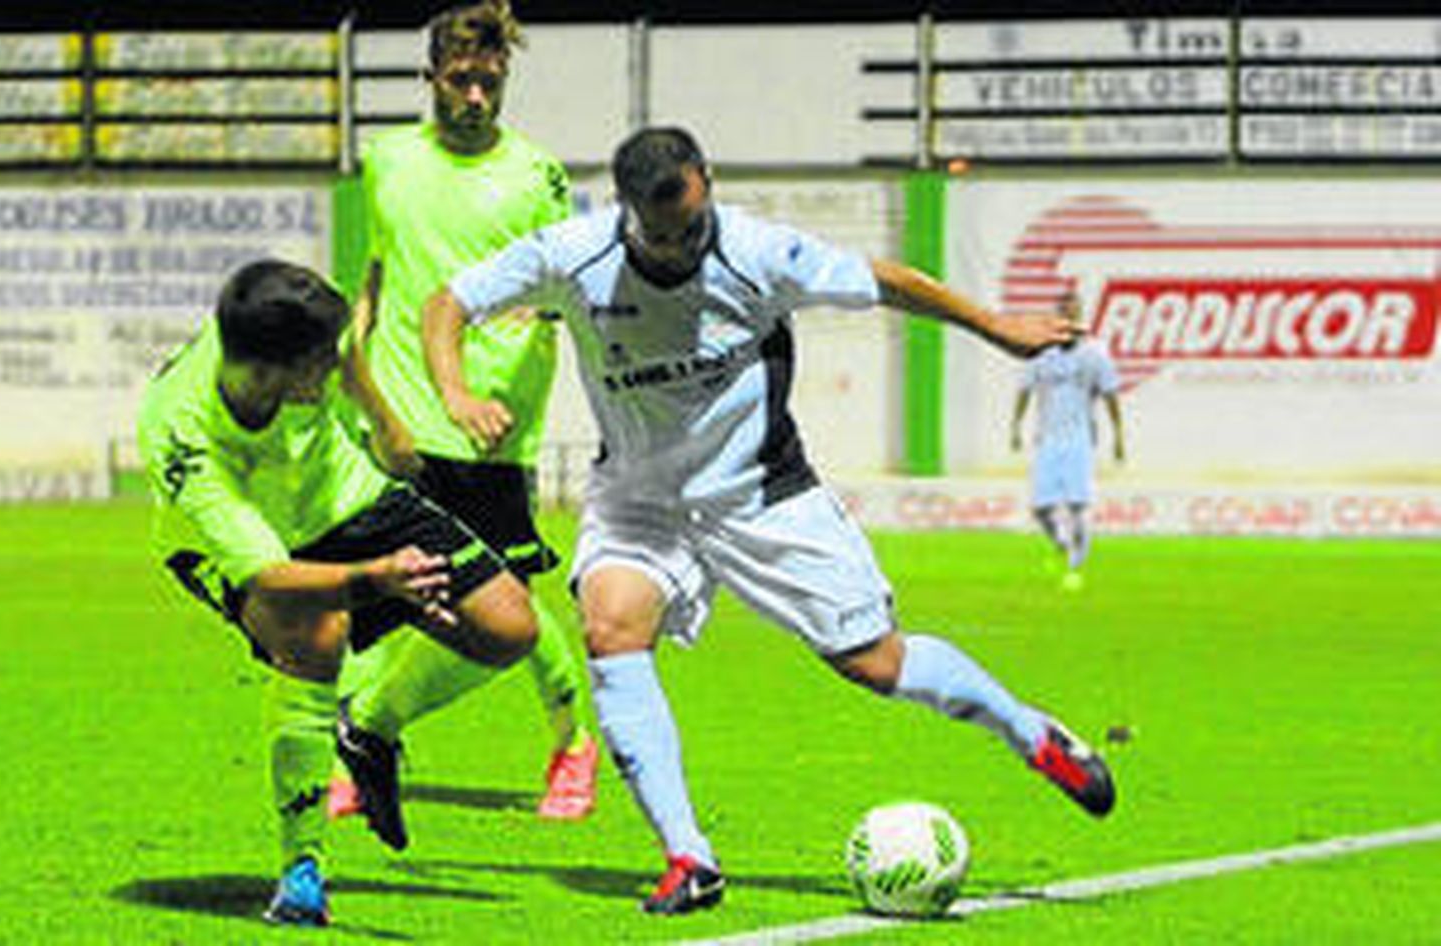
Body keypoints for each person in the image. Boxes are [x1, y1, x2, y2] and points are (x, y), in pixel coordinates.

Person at [422, 127, 1119, 916]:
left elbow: (884, 281)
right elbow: (448, 303)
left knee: (876, 664)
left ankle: (1033, 735)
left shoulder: (759, 251)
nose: (682, 245)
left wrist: (996, 327)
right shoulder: (574, 253)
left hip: (761, 493)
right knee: (611, 629)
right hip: (640, 500)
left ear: (706, 183)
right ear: (626, 215)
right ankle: (690, 856)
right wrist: (454, 393)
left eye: (692, 223)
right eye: (663, 234)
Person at [137, 260, 539, 926]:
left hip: (346, 496)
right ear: (271, 371)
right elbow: (269, 576)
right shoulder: (184, 435)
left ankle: (370, 728)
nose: (329, 370)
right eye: (316, 365)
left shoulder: (275, 331)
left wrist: (383, 423)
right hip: (242, 548)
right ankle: (302, 869)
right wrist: (378, 580)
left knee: (509, 628)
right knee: (316, 633)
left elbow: (347, 348)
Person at [332, 0, 599, 827]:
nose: (478, 96)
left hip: (493, 418)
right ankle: (358, 749)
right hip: (400, 416)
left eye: (492, 80)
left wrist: (539, 320)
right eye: (462, 80)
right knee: (380, 598)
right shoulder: (385, 162)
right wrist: (362, 381)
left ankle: (571, 741)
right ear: (431, 78)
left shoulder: (537, 174)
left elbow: (570, 287)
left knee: (502, 592)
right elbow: (375, 276)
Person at [1009, 293, 1127, 592]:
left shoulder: (1095, 354)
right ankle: (1062, 543)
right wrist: (1016, 426)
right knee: (1041, 508)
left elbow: (1110, 394)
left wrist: (1118, 435)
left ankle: (1076, 563)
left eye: (1074, 313)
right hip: (1047, 437)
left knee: (1076, 505)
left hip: (1079, 438)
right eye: (1064, 313)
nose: (1069, 320)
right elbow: (1025, 390)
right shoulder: (1041, 353)